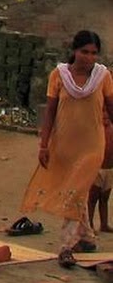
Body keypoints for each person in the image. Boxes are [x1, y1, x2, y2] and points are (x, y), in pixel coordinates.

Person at [20, 29, 113, 268]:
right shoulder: (58, 75)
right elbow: (50, 112)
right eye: (85, 52)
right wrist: (43, 144)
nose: (89, 58)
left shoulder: (103, 77)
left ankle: (66, 246)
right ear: (74, 51)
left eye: (94, 53)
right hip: (64, 144)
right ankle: (88, 238)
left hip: (93, 145)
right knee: (76, 191)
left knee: (78, 188)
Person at [88, 107, 113, 233]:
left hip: (109, 169)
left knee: (105, 197)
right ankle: (90, 224)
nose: (105, 119)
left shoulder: (111, 130)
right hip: (97, 168)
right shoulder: (96, 130)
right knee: (93, 198)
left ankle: (104, 224)